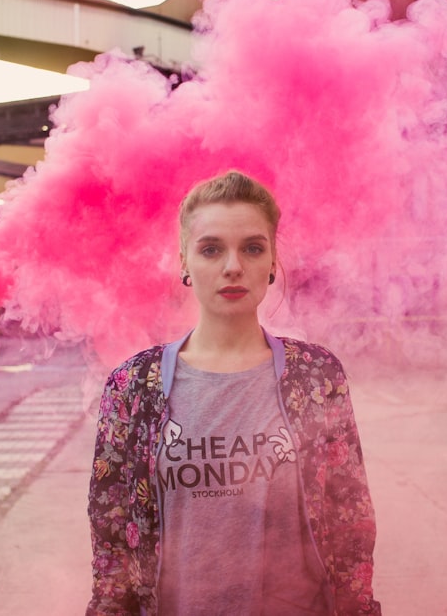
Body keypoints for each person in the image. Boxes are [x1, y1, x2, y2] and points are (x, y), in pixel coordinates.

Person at [87, 170, 380, 615]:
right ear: (184, 261)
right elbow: (111, 537)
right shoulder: (133, 386)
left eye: (252, 248)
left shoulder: (316, 376)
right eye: (210, 249)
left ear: (271, 261)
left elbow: (350, 520)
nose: (232, 266)